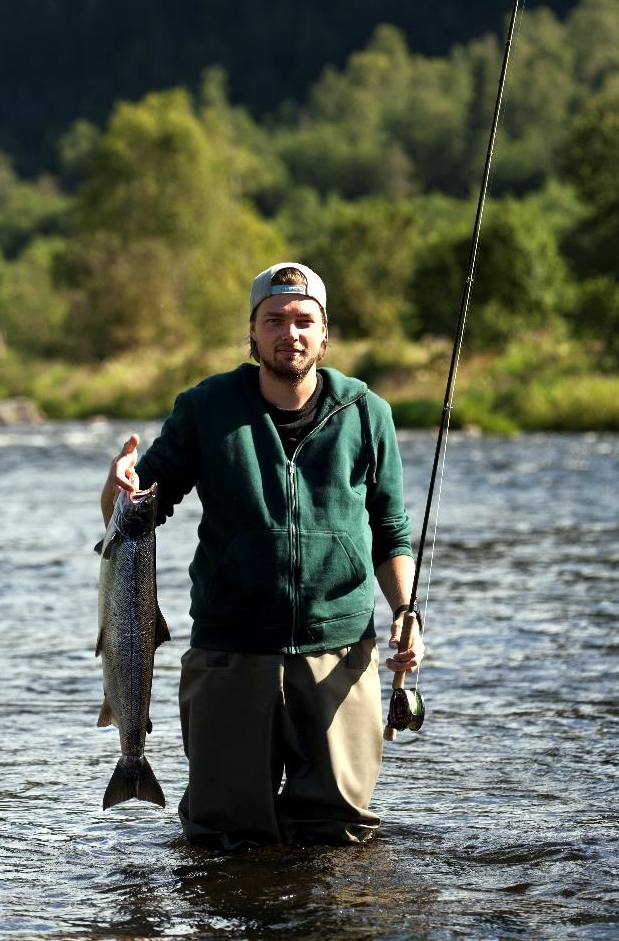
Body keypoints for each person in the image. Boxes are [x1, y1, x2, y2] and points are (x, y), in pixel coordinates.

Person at [100, 261, 424, 849]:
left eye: (304, 320)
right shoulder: (205, 407)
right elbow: (131, 515)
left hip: (341, 652)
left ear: (325, 334)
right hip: (230, 652)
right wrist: (117, 481)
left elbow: (391, 530)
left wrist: (407, 611)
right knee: (222, 838)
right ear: (252, 332)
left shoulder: (367, 412)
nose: (289, 333)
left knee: (340, 837)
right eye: (274, 320)